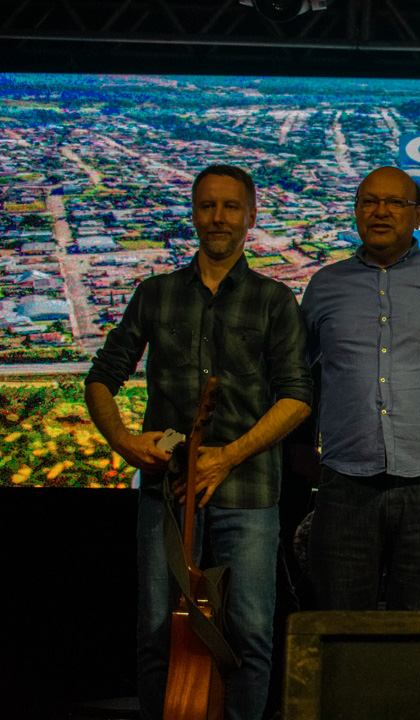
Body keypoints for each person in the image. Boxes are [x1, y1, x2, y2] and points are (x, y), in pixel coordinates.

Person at [84, 164, 312, 720]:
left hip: (249, 493)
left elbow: (297, 397)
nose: (218, 217)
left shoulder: (275, 301)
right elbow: (102, 376)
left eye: (231, 206)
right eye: (207, 205)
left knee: (252, 634)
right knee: (155, 633)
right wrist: (122, 441)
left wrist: (227, 457)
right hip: (166, 493)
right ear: (193, 213)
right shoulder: (155, 294)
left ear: (251, 217)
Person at [302, 166, 420, 611]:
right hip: (345, 484)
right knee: (340, 630)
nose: (381, 212)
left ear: (419, 215)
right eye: (369, 201)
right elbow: (296, 378)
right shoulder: (325, 286)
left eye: (395, 203)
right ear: (355, 212)